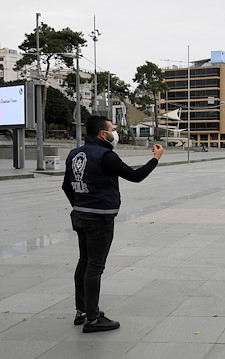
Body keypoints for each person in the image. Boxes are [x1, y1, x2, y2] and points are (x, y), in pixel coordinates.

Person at [62, 116, 164, 333]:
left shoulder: (74, 154)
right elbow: (135, 176)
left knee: (84, 261)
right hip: (99, 219)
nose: (115, 132)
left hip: (80, 216)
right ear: (102, 134)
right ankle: (92, 318)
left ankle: (81, 310)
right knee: (95, 266)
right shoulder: (106, 155)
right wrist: (155, 158)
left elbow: (66, 186)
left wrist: (80, 205)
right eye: (112, 129)